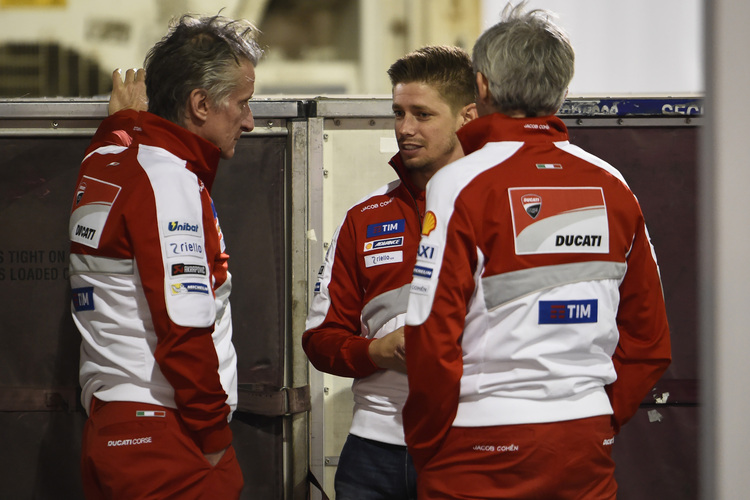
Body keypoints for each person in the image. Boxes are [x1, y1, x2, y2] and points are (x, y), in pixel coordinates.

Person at [402, 3, 672, 499]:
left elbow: (430, 335)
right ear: (562, 88)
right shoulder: (612, 185)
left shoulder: (459, 183)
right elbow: (650, 339)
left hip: (477, 440)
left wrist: (425, 442)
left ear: (481, 87)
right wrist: (600, 414)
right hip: (584, 437)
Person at [68, 14, 262, 499]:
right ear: (200, 104)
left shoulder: (104, 161)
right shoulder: (169, 182)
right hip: (170, 441)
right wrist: (215, 441)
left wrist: (124, 121)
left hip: (111, 430)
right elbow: (183, 328)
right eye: (242, 103)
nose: (250, 120)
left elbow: (119, 147)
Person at [302, 45, 477, 500]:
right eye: (398, 112)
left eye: (422, 114)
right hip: (374, 450)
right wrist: (377, 352)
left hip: (470, 442)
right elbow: (319, 339)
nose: (405, 129)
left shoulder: (495, 208)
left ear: (467, 116)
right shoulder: (364, 217)